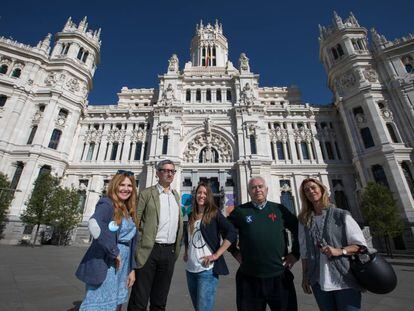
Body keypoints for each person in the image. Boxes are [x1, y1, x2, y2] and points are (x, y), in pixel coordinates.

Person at [228, 177, 300, 311]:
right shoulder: (240, 211)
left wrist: (295, 253)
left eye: (260, 186)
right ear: (249, 191)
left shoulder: (279, 209)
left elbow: (298, 228)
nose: (258, 190)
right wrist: (234, 251)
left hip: (279, 277)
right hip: (249, 278)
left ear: (266, 190)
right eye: (254, 188)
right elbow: (224, 229)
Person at [298, 178, 367, 311]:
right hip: (318, 280)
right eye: (306, 190)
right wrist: (305, 276)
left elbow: (361, 246)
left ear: (322, 189)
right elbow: (304, 251)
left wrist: (340, 251)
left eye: (313, 187)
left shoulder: (341, 215)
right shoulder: (304, 220)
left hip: (344, 279)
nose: (311, 191)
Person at [76, 170, 139, 311]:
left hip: (123, 265)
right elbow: (94, 224)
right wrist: (113, 251)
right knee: (100, 303)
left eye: (129, 186)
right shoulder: (107, 203)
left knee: (116, 303)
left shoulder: (128, 209)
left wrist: (131, 269)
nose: (126, 189)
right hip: (107, 262)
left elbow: (132, 242)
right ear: (115, 186)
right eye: (122, 185)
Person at [128, 160, 183, 311]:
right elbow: (135, 222)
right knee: (139, 298)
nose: (169, 173)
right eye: (165, 170)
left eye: (172, 171)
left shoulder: (175, 196)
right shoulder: (147, 193)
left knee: (160, 299)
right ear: (158, 173)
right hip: (149, 250)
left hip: (169, 251)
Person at [183, 182, 237, 311]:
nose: (201, 196)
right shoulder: (191, 215)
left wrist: (216, 255)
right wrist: (186, 251)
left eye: (205, 193)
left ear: (209, 197)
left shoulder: (214, 213)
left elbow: (232, 232)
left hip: (207, 270)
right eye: (199, 193)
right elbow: (188, 236)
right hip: (190, 269)